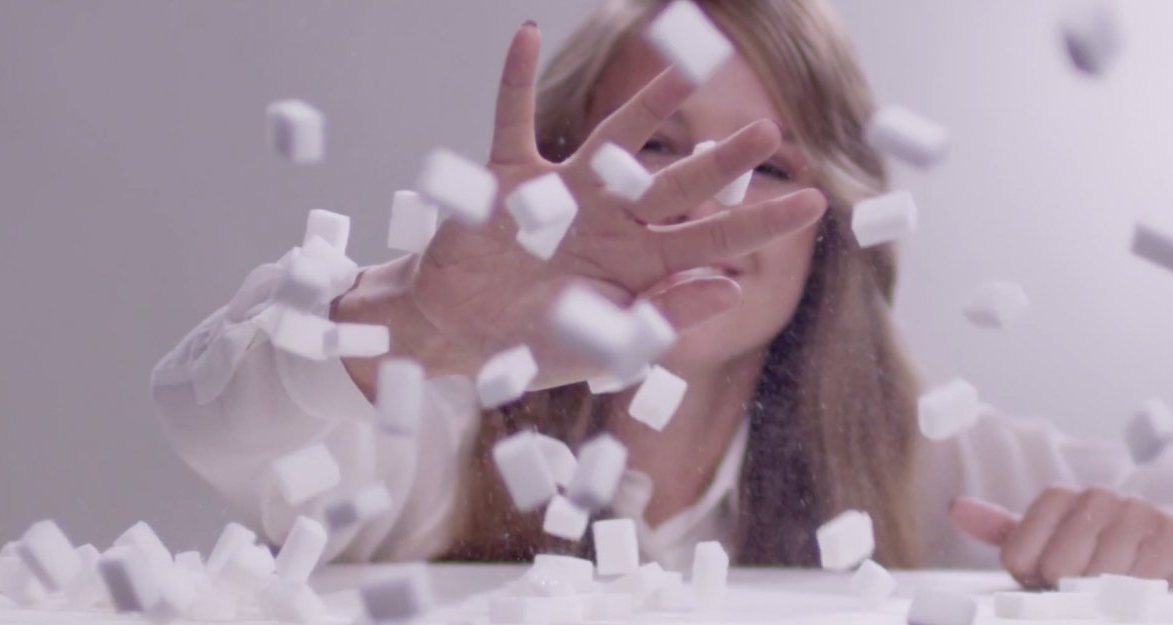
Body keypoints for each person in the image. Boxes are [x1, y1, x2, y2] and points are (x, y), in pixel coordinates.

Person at [151, 0, 1173, 588]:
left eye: (767, 169)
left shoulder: (929, 460)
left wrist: (1139, 546)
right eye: (655, 150)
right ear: (561, 173)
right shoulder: (427, 431)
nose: (706, 205)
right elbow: (206, 410)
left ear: (835, 222)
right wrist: (408, 327)